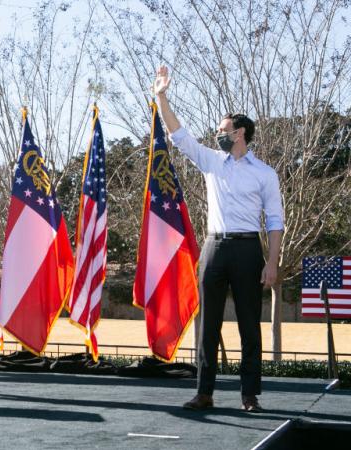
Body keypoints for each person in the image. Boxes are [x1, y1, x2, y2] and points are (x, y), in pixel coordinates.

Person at [152, 66, 284, 412]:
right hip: (215, 248)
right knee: (208, 324)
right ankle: (204, 393)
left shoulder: (265, 174)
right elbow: (180, 136)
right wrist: (162, 96)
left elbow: (275, 221)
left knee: (248, 326)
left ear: (240, 133)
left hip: (248, 250)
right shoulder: (212, 161)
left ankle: (250, 395)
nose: (218, 135)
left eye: (223, 130)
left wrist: (272, 262)